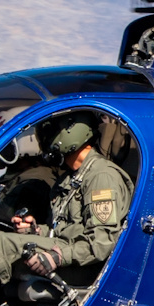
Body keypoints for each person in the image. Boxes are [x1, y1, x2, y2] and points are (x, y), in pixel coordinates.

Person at [40, 117, 134, 284]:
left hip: (85, 268)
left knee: (6, 246)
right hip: (66, 251)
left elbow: (101, 243)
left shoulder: (101, 177)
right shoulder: (68, 179)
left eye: (52, 133)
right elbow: (59, 228)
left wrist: (58, 256)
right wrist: (35, 230)